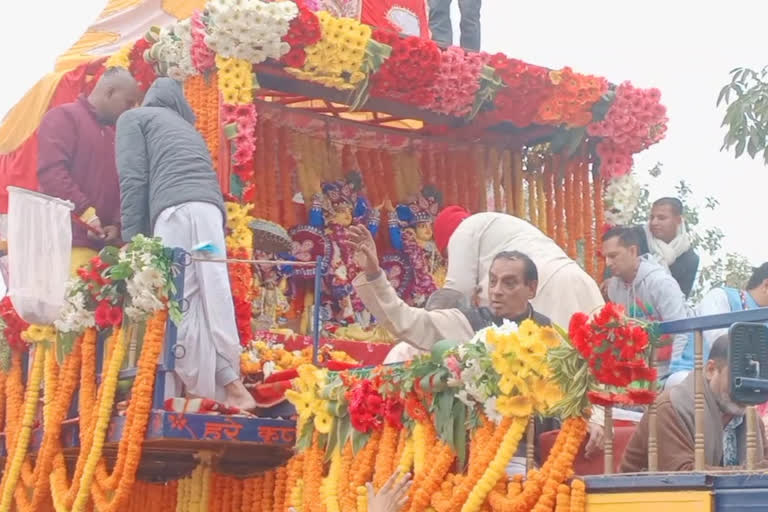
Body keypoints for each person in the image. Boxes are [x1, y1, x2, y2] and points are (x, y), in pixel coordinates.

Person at [348, 224, 604, 473]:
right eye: (493, 281)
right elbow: (407, 322)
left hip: (537, 457)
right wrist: (374, 275)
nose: (497, 291)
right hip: (477, 458)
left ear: (532, 288)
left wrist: (591, 420)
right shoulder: (467, 324)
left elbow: (575, 390)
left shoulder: (549, 334)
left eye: (509, 283)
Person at [115, 77, 255, 411]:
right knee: (212, 295)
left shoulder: (134, 119)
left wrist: (132, 240)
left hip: (176, 216)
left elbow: (133, 179)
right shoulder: (188, 130)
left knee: (178, 298)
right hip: (208, 218)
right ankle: (230, 384)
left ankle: (191, 388)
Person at [37, 67, 140, 274]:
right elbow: (52, 173)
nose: (130, 110)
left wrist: (116, 225)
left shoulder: (114, 135)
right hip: (68, 244)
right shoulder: (63, 116)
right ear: (110, 92)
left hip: (105, 252)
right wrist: (87, 215)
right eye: (128, 103)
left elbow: (122, 185)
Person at [433, 207, 604, 328]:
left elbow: (456, 291)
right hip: (576, 276)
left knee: (551, 371)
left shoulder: (460, 232)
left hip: (542, 286)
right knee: (596, 359)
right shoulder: (495, 222)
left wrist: (431, 327)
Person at [620, 334, 768, 472]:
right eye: (738, 378)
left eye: (753, 378)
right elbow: (683, 475)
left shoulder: (749, 416)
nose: (745, 387)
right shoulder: (670, 408)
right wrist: (753, 472)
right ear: (711, 370)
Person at [602, 226, 690, 381]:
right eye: (605, 257)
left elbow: (682, 332)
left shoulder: (661, 283)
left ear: (632, 251)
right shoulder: (614, 288)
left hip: (670, 369)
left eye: (613, 256)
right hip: (637, 372)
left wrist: (672, 375)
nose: (608, 262)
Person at [667, 262, 768, 387]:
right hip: (692, 375)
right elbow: (719, 343)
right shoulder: (721, 296)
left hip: (747, 386)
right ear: (766, 285)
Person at [644, 197, 699, 297]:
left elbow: (680, 298)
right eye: (652, 217)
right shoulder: (638, 237)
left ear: (678, 220)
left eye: (661, 218)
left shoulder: (690, 259)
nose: (654, 222)